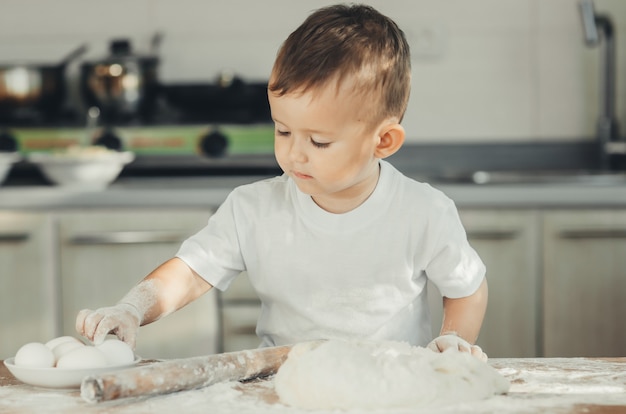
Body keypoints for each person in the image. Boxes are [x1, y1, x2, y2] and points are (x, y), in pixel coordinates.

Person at [76, 3, 488, 361]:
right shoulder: (253, 208)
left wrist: (452, 340)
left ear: (383, 141)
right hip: (282, 389)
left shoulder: (423, 212)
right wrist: (131, 309)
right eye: (283, 131)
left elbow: (467, 287)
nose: (294, 154)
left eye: (319, 141)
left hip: (389, 388)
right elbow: (190, 272)